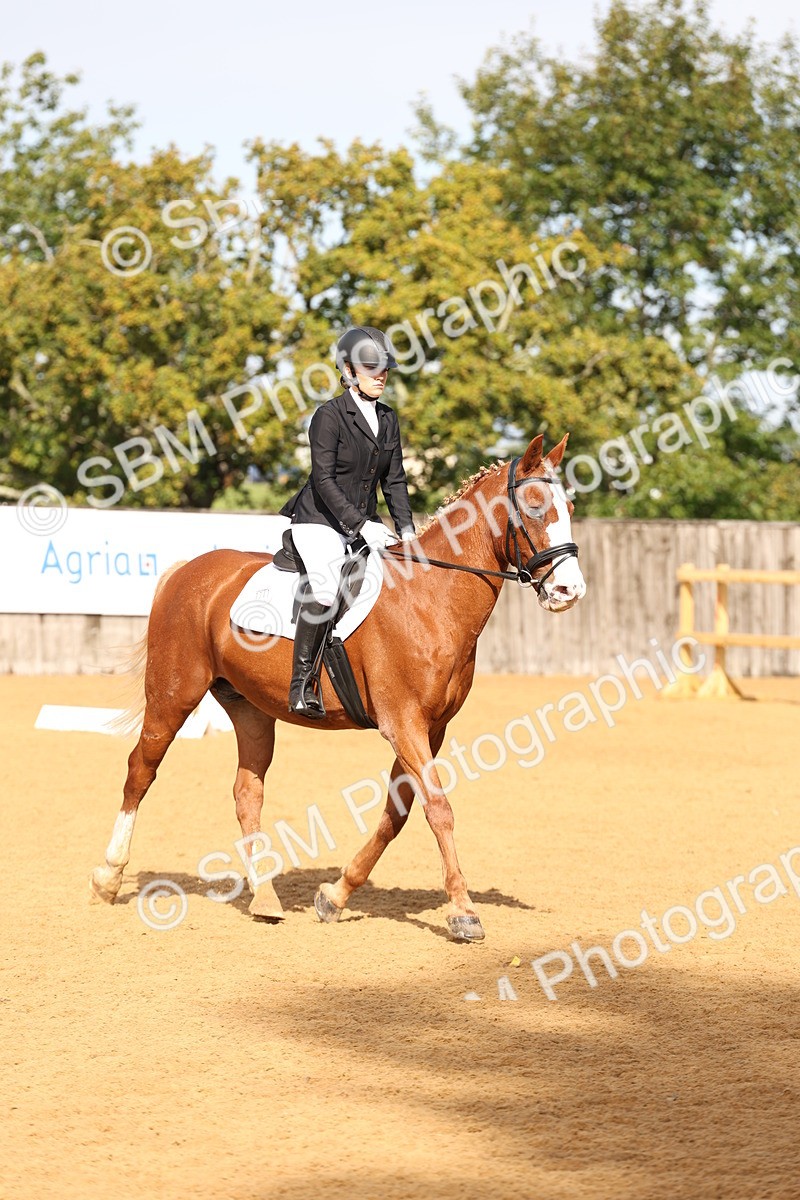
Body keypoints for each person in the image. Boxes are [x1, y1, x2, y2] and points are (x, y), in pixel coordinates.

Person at [280, 326, 416, 718]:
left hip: (363, 522)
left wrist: (406, 530)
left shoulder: (388, 419)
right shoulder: (329, 416)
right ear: (349, 370)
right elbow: (322, 480)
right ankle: (302, 684)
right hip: (319, 520)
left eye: (384, 368)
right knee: (324, 588)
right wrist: (361, 524)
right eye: (371, 367)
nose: (381, 375)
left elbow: (394, 480)